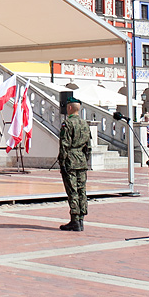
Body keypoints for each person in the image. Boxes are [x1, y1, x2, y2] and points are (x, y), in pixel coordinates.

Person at [58, 97, 91, 231]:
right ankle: (81, 219)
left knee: (72, 191)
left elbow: (64, 144)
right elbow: (88, 146)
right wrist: (85, 159)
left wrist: (62, 161)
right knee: (82, 190)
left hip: (70, 160)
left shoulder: (67, 123)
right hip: (81, 161)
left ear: (70, 108)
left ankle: (75, 219)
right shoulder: (85, 124)